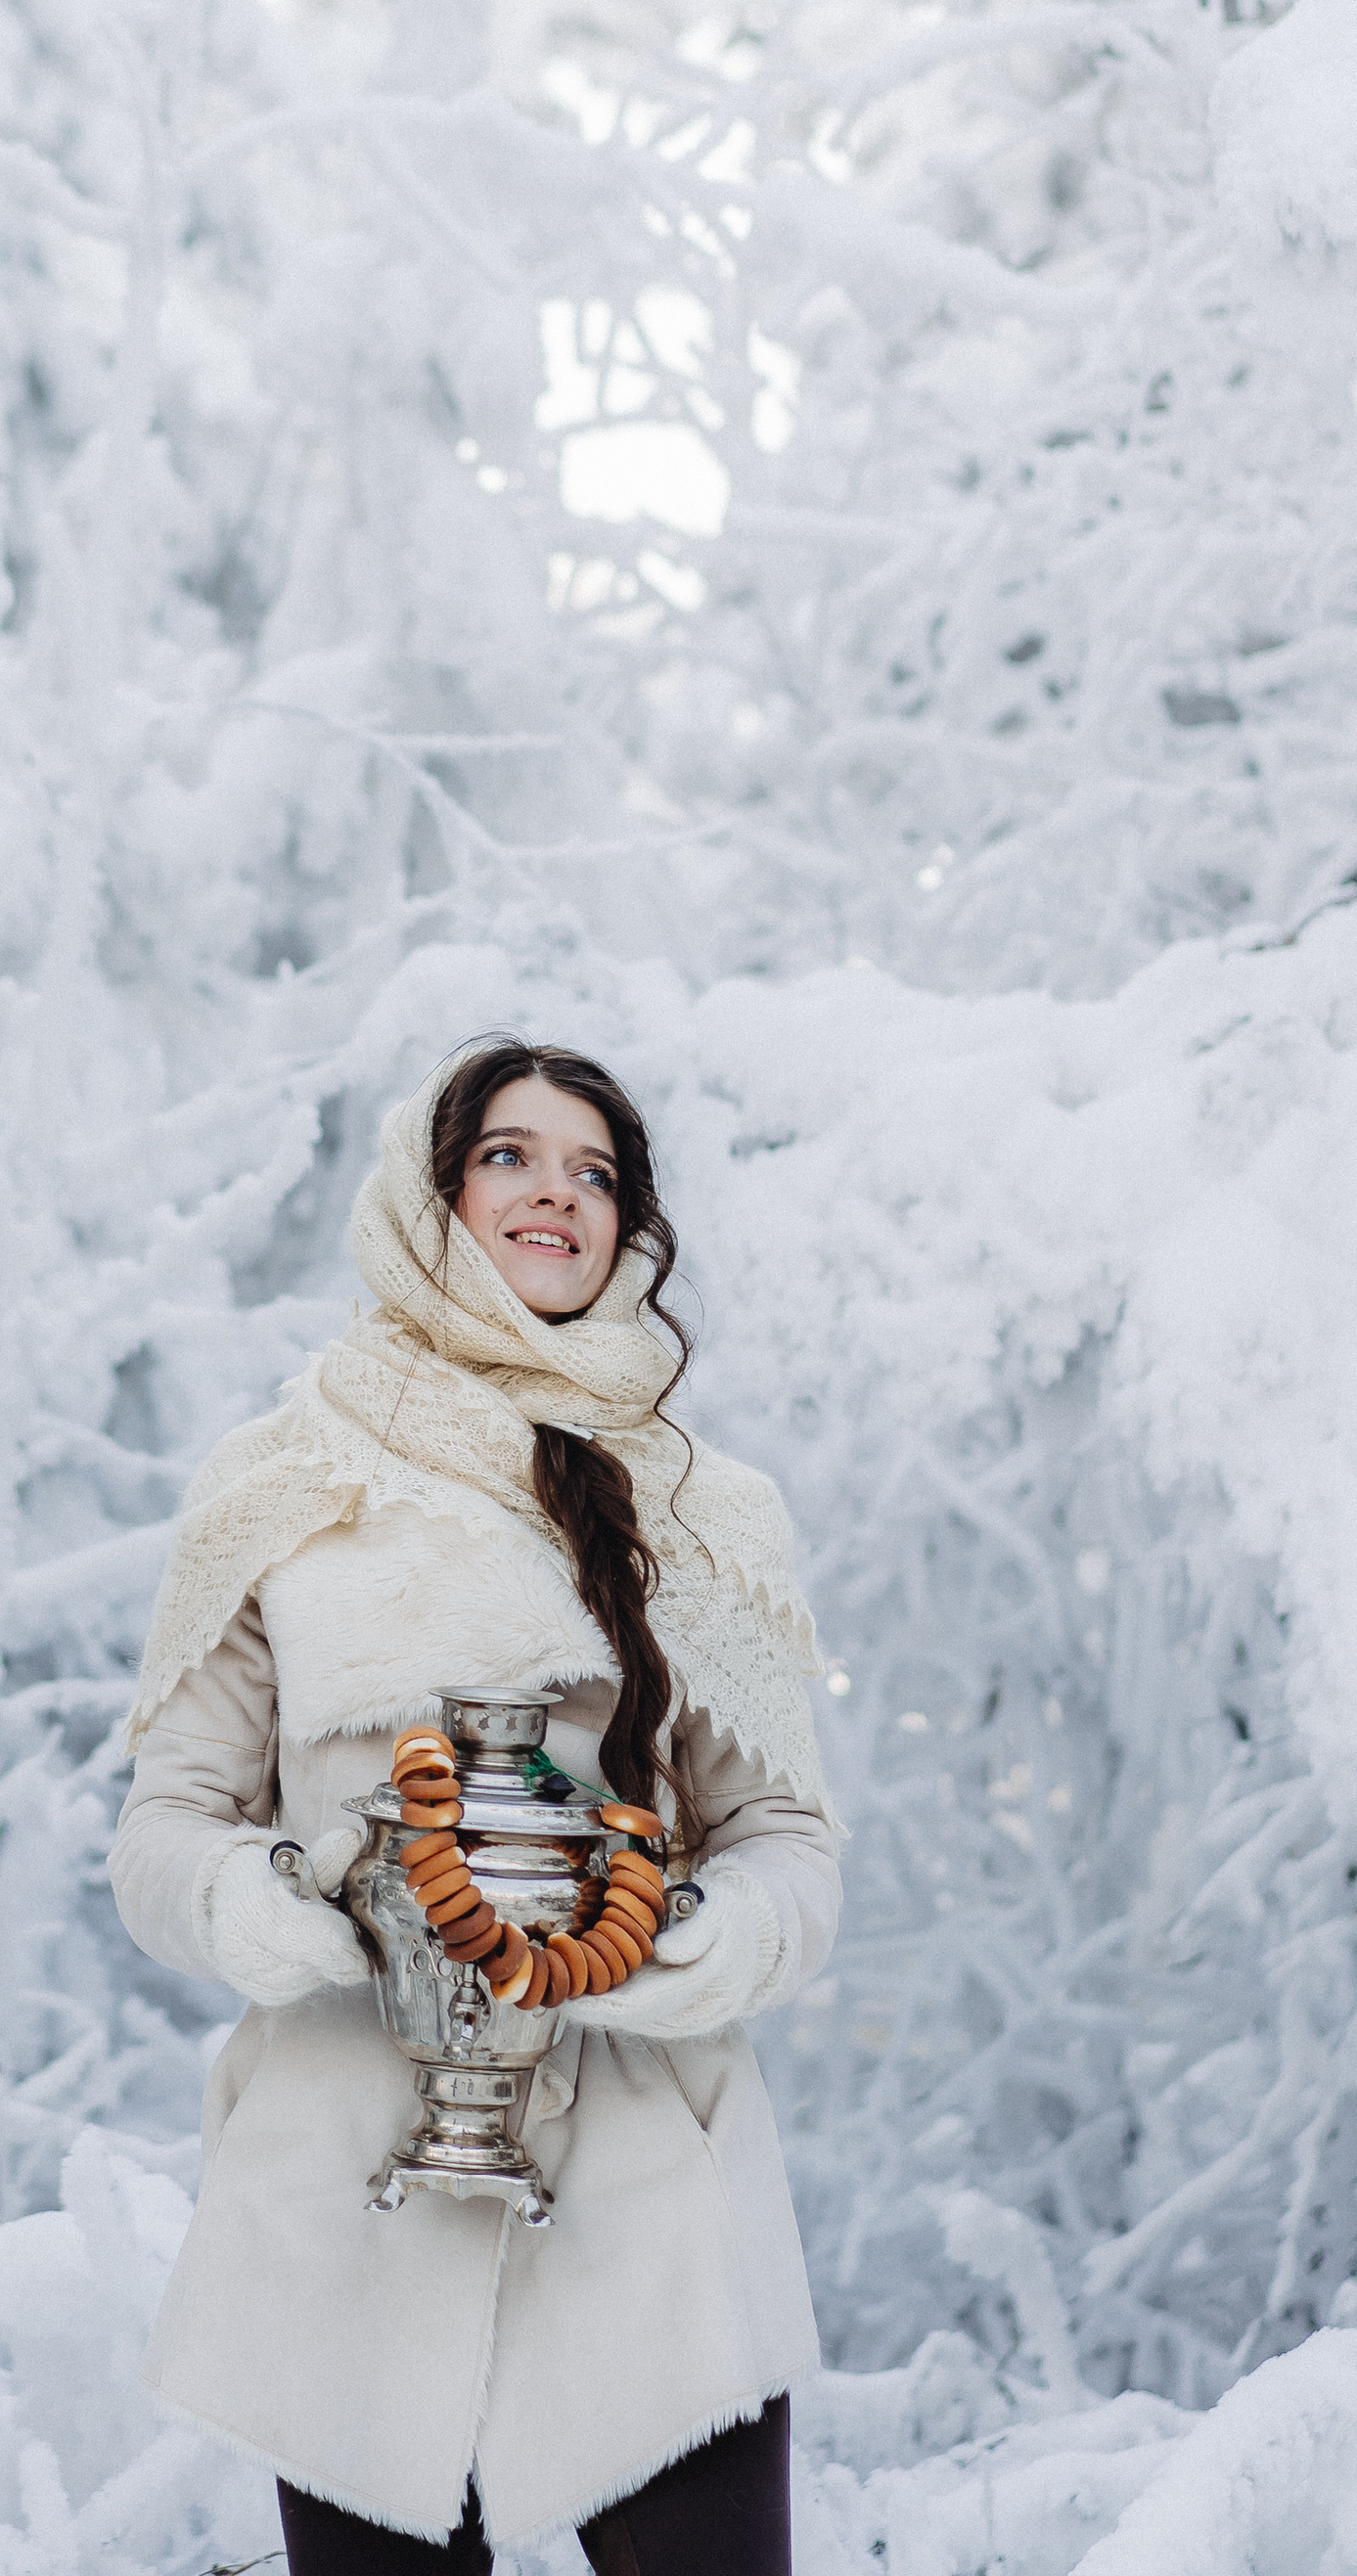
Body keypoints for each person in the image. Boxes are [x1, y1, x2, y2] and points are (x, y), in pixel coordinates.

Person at [110, 1041, 841, 2571]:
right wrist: (270, 1909)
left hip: (649, 2191)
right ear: (427, 1195)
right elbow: (167, 1823)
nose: (555, 1195)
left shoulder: (708, 1507)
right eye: (511, 1155)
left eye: (595, 1173)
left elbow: (789, 1845)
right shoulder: (284, 1479)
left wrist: (700, 1945)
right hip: (353, 2194)